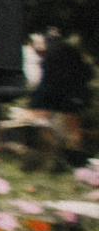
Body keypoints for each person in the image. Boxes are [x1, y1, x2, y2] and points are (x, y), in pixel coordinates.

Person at [28, 26, 88, 155]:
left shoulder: (50, 54)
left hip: (61, 91)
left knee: (42, 119)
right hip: (69, 91)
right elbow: (85, 72)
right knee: (71, 123)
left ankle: (54, 152)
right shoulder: (70, 51)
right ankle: (70, 152)